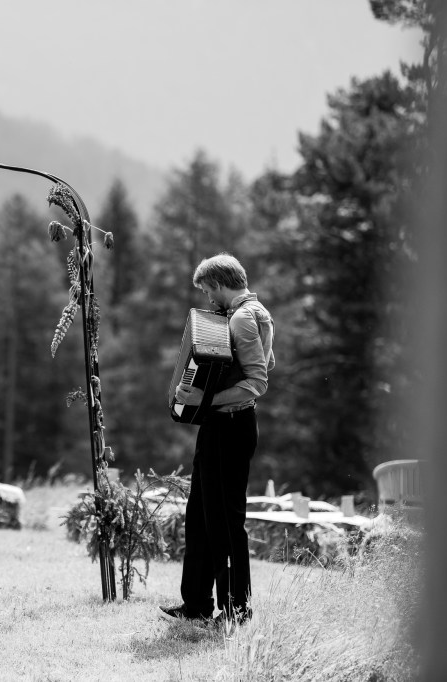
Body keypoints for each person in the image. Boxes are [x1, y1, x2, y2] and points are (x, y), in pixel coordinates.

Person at [160, 253, 275, 629]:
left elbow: (258, 382)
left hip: (231, 426)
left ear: (223, 284)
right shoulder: (254, 313)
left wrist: (203, 398)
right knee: (200, 515)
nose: (209, 300)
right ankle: (195, 603)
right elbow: (263, 362)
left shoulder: (242, 318)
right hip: (219, 427)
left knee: (225, 521)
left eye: (209, 291)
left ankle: (236, 611)